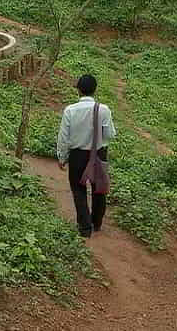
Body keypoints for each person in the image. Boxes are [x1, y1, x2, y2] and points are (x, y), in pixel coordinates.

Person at [57, 74, 116, 238]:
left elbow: (63, 137)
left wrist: (62, 157)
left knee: (78, 189)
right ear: (95, 90)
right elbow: (110, 135)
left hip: (77, 156)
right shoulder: (103, 109)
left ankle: (84, 228)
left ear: (78, 90)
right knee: (99, 190)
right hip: (99, 154)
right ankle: (96, 223)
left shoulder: (70, 110)